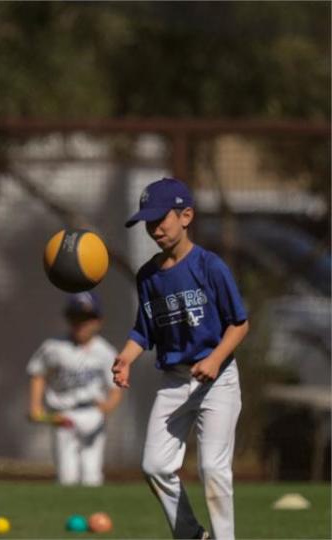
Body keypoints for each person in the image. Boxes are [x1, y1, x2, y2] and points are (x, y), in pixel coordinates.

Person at [112, 177, 249, 540]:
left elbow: (239, 324)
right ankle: (190, 534)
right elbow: (144, 330)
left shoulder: (209, 266)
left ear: (186, 215)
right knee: (154, 465)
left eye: (161, 219)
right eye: (147, 222)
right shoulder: (148, 276)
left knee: (212, 468)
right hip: (174, 380)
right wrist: (125, 357)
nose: (154, 228)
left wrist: (216, 359)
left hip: (216, 380)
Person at [26, 291, 122, 487]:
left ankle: (93, 514)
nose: (81, 323)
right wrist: (35, 406)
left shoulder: (105, 351)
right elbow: (38, 373)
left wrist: (107, 408)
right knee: (66, 476)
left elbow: (116, 386)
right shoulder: (54, 347)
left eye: (87, 318)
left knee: (92, 475)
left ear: (98, 321)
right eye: (76, 317)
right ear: (68, 318)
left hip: (91, 412)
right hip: (63, 414)